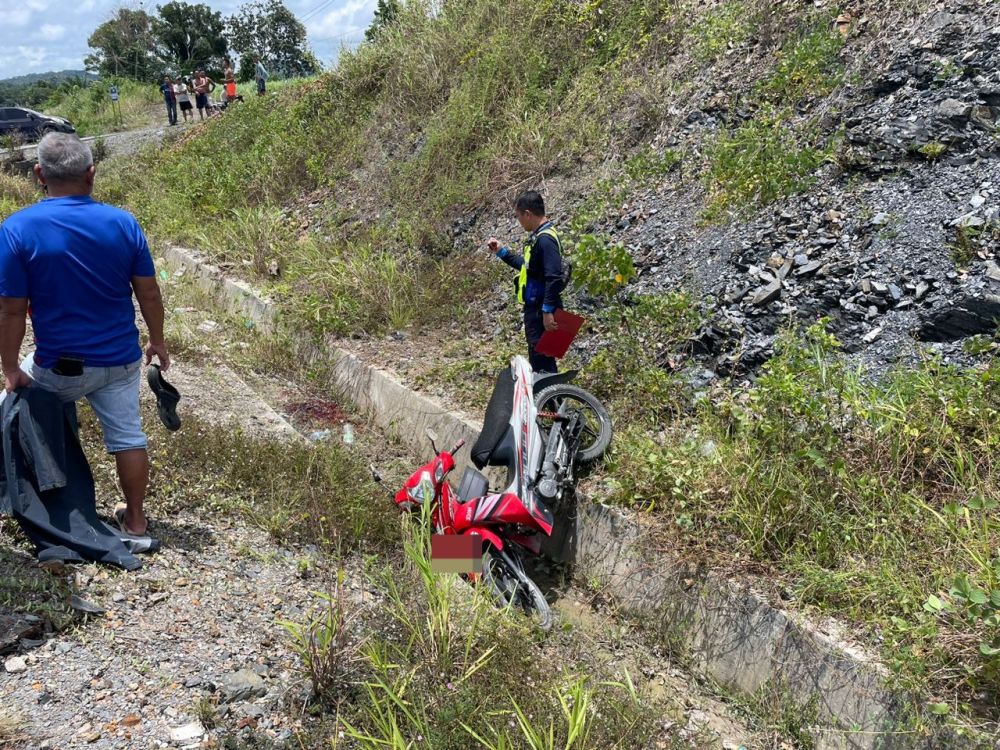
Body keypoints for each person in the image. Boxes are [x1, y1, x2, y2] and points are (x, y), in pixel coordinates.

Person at [0, 133, 170, 537]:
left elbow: (10, 309)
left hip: (59, 367)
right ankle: (135, 519)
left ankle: (34, 502)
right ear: (91, 174)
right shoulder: (123, 222)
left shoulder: (17, 228)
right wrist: (157, 341)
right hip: (121, 361)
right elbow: (148, 289)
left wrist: (9, 368)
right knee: (128, 435)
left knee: (7, 409)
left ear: (40, 174)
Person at [487, 191, 564, 373]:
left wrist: (547, 312)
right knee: (543, 364)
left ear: (528, 214)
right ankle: (551, 400)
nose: (519, 221)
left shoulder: (545, 240)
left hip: (541, 312)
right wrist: (501, 252)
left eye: (519, 216)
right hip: (537, 309)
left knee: (543, 367)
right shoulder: (540, 236)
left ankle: (552, 400)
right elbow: (528, 268)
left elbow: (554, 277)